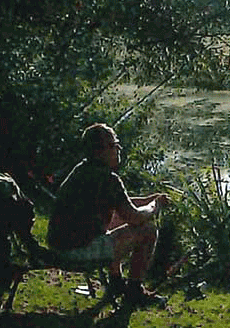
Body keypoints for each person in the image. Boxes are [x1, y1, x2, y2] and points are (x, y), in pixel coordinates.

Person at [47, 123, 169, 307]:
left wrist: (146, 200)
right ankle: (134, 291)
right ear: (99, 151)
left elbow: (121, 205)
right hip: (75, 252)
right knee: (148, 230)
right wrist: (155, 206)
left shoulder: (82, 169)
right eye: (113, 145)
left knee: (115, 222)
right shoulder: (108, 178)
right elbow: (134, 217)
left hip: (59, 245)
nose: (118, 148)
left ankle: (116, 282)